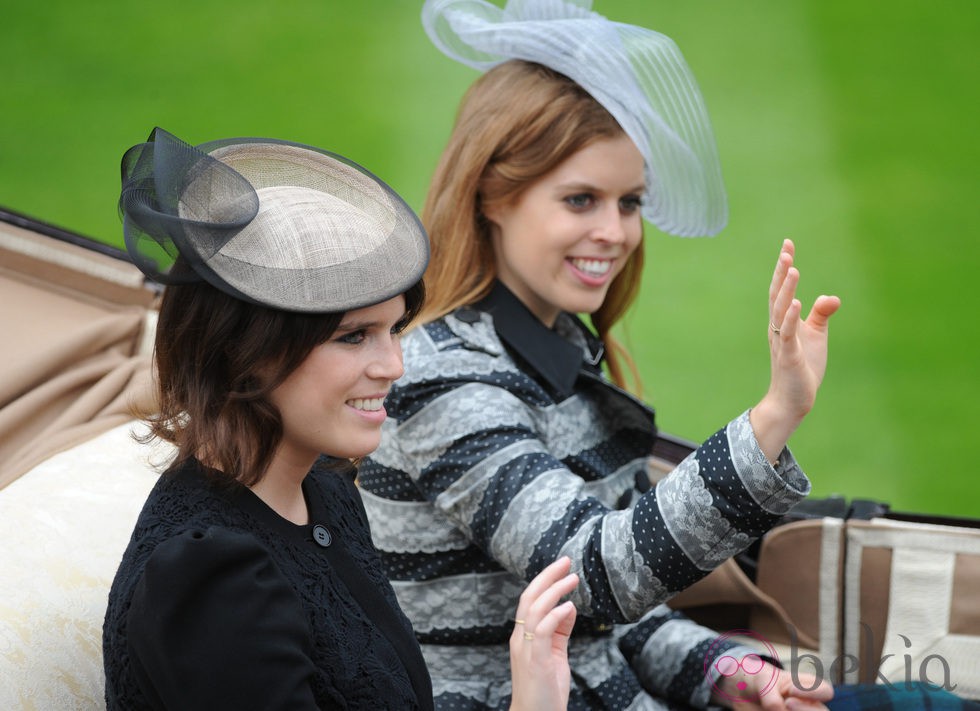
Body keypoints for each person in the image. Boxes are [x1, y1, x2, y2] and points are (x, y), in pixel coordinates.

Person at [359, 2, 972, 709]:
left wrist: (726, 670)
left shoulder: (549, 345)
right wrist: (774, 417)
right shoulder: (443, 379)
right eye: (581, 199)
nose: (614, 233)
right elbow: (595, 574)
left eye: (629, 202)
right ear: (493, 196)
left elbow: (609, 623)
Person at [102, 127, 579, 711]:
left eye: (395, 329)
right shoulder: (211, 579)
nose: (394, 366)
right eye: (354, 337)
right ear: (244, 351)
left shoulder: (325, 494)